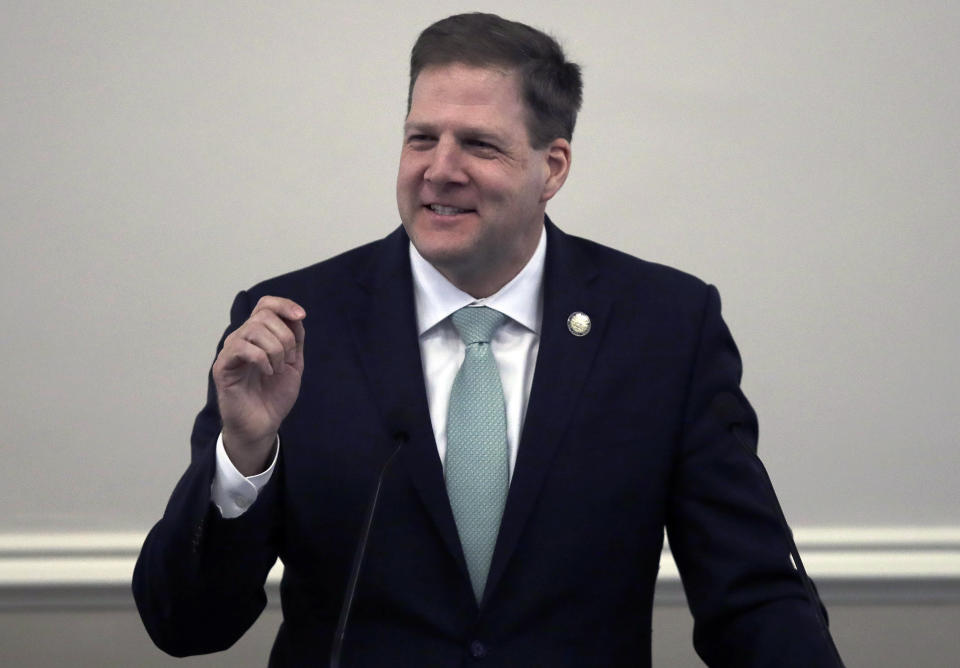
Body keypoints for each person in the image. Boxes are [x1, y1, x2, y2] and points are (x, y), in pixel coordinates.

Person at [134, 12, 842, 667]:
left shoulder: (664, 327)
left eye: (478, 144)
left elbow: (751, 593)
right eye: (421, 138)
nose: (440, 169)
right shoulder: (292, 325)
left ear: (552, 168)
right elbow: (186, 625)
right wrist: (243, 457)